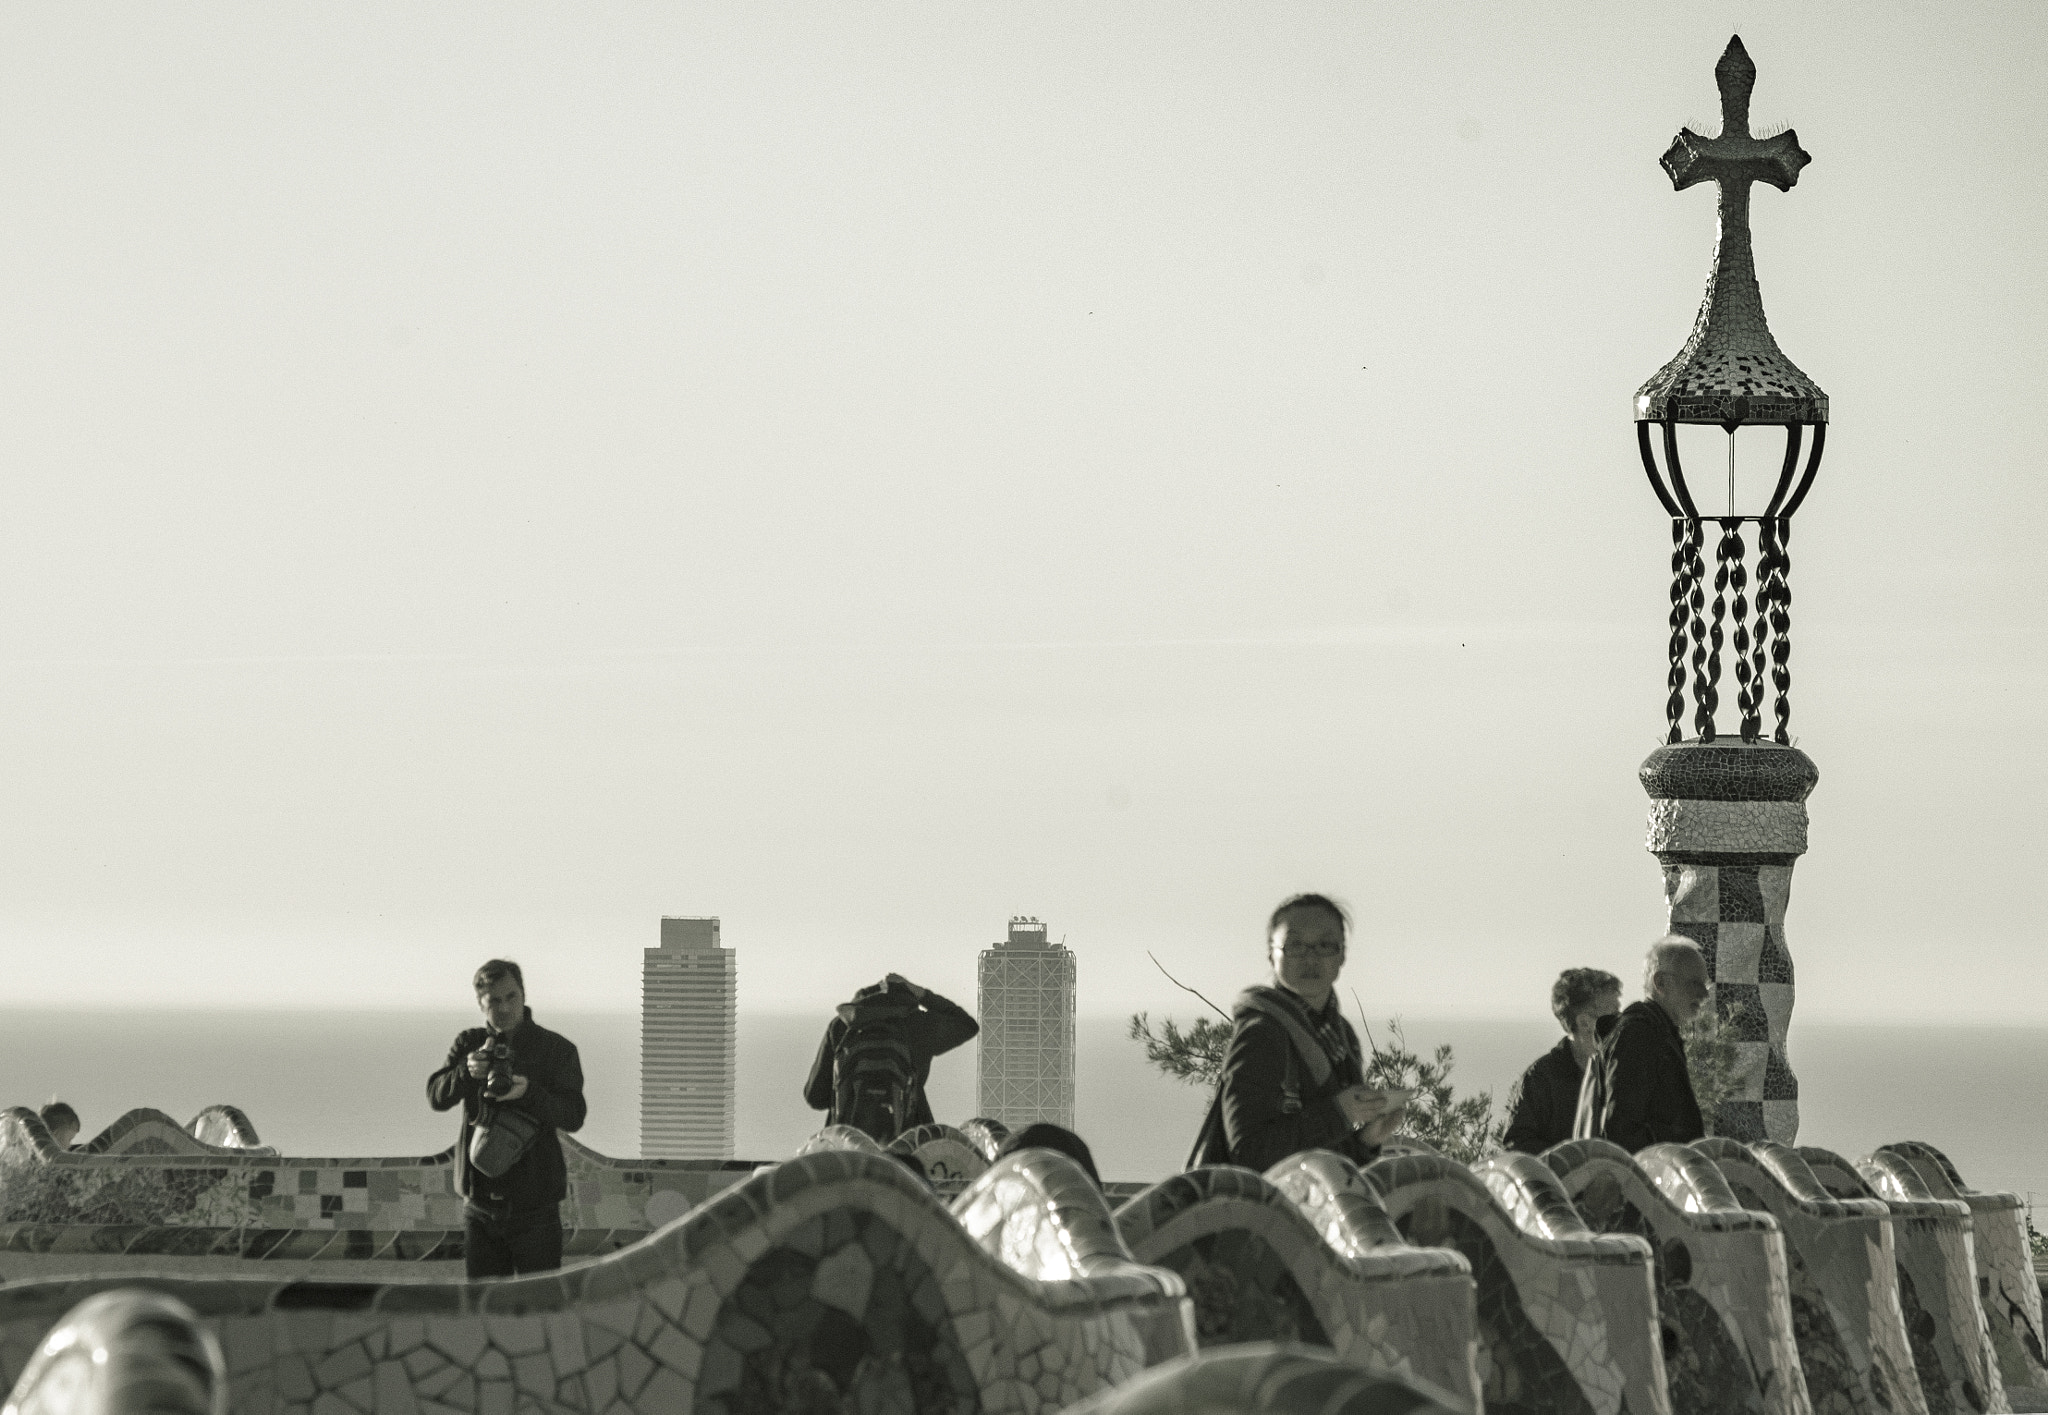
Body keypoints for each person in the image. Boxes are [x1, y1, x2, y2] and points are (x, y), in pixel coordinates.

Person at [1192, 894, 1405, 1173]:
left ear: (1342, 955)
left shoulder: (1341, 1036)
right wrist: (1339, 1113)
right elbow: (1248, 1153)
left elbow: (1329, 1163)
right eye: (1295, 945)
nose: (1311, 957)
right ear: (1272, 954)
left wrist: (1367, 1140)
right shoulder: (1261, 1033)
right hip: (1258, 1213)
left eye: (1325, 945)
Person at [427, 960, 587, 1279]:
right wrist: (465, 1072)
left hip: (535, 1206)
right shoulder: (469, 1044)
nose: (504, 1007)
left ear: (524, 994)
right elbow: (436, 1096)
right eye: (494, 1001)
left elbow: (573, 1115)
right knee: (485, 1306)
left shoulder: (556, 1049)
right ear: (480, 1003)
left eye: (511, 997)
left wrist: (529, 1092)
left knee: (540, 1306)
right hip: (480, 1204)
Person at [803, 973, 977, 1144]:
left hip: (847, 1147)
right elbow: (968, 1025)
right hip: (908, 1145)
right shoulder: (918, 1024)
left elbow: (815, 1097)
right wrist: (921, 993)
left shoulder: (840, 1026)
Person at [1575, 936, 1709, 1152]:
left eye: (1705, 985)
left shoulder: (1659, 1033)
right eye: (1695, 983)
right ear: (1661, 983)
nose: (1704, 994)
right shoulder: (1639, 1034)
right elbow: (1621, 1130)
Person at [1502, 968, 1622, 1154]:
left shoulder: (1621, 1070)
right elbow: (1517, 1145)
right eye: (1614, 1014)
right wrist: (1571, 1160)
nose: (1622, 1023)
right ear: (1584, 1022)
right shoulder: (1541, 1079)